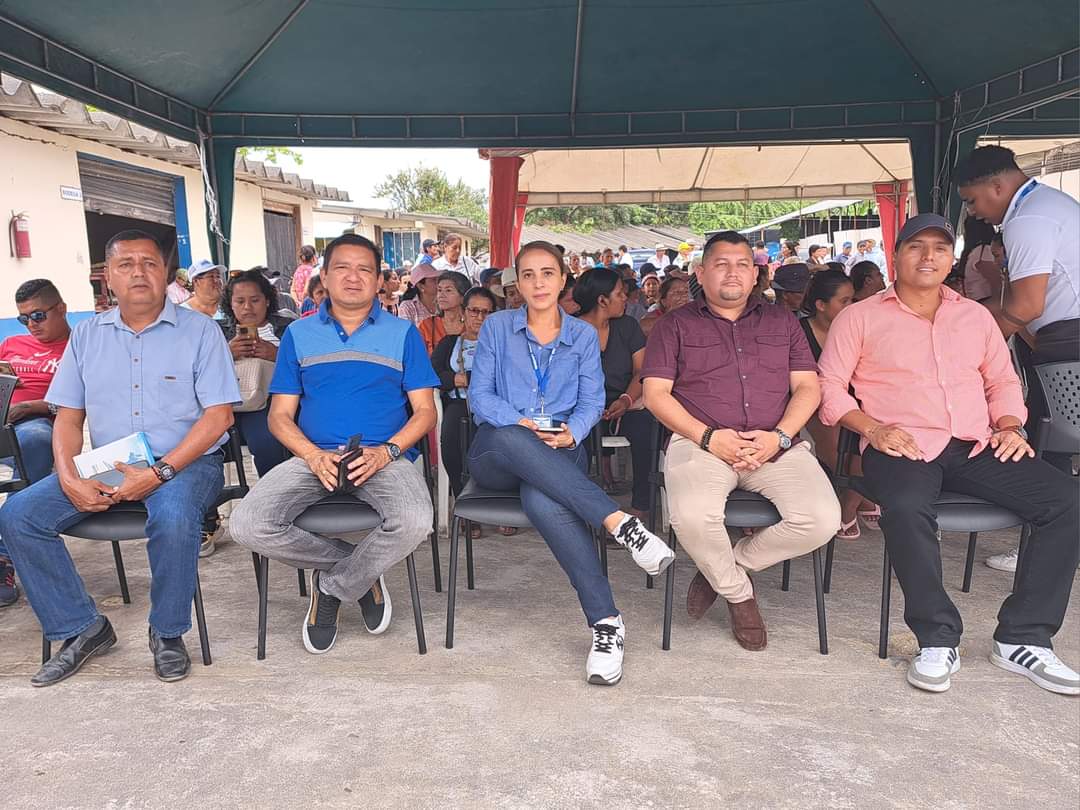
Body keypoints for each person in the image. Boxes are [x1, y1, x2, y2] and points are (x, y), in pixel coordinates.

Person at [819, 213, 1078, 695]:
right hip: (901, 445)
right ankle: (937, 637)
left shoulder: (974, 317)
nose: (928, 257)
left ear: (950, 258)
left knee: (1067, 500)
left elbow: (1002, 381)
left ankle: (1023, 638)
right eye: (916, 247)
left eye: (939, 248)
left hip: (976, 443)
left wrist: (1009, 425)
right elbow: (830, 387)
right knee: (905, 507)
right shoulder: (860, 317)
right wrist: (873, 429)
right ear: (895, 255)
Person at [0, 230, 240, 686]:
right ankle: (81, 627)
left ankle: (167, 633)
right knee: (18, 515)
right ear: (107, 277)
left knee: (173, 517)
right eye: (126, 264)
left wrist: (159, 472)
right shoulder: (87, 336)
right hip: (111, 463)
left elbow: (219, 418)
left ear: (166, 274)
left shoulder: (201, 331)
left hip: (186, 463)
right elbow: (68, 417)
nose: (138, 272)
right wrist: (68, 476)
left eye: (149, 263)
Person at [467, 240, 674, 685]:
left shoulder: (580, 334)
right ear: (517, 283)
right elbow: (480, 396)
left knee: (544, 500)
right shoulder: (498, 327)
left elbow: (592, 400)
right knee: (513, 437)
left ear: (563, 279)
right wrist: (520, 423)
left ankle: (606, 623)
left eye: (547, 273)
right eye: (528, 274)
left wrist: (572, 433)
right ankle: (619, 522)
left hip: (561, 446)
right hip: (498, 447)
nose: (538, 283)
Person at [229, 234, 438, 655]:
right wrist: (311, 454)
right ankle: (362, 574)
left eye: (365, 269)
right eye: (342, 267)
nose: (353, 277)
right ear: (324, 276)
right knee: (247, 524)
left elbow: (425, 412)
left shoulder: (402, 333)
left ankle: (333, 586)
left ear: (379, 280)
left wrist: (386, 452)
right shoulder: (299, 334)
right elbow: (279, 416)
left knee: (416, 520)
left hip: (384, 456)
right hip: (314, 456)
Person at [642, 231, 838, 651]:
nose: (732, 273)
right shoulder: (674, 325)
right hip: (701, 441)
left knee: (822, 519)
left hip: (774, 443)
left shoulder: (783, 322)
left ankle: (722, 569)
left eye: (742, 265)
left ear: (755, 275)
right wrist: (709, 438)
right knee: (691, 517)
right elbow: (655, 395)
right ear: (700, 273)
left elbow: (808, 387)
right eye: (721, 264)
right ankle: (738, 594)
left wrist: (780, 436)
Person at [0, 279, 72, 607]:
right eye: (24, 318)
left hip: (37, 423)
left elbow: (85, 399)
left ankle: (4, 555)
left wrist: (31, 407)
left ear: (62, 309)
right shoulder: (11, 344)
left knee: (35, 441)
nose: (31, 324)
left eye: (38, 315)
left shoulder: (78, 347)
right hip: (4, 415)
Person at [797, 269, 878, 539]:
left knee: (872, 447)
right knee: (837, 451)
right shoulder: (799, 332)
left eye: (853, 299)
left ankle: (850, 503)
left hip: (856, 401)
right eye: (844, 301)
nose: (852, 305)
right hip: (811, 402)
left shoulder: (857, 328)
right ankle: (857, 500)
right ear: (821, 305)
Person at [431, 288, 514, 539]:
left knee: (504, 445)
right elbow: (432, 375)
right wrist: (456, 379)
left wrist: (470, 378)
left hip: (495, 406)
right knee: (451, 441)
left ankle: (502, 506)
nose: (479, 317)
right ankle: (466, 508)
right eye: (474, 311)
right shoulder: (449, 344)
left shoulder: (505, 345)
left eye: (486, 312)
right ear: (464, 312)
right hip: (460, 405)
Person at [574, 268, 657, 520]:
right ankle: (582, 506)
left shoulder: (627, 326)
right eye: (620, 294)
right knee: (574, 436)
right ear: (602, 300)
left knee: (646, 426)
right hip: (580, 405)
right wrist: (590, 407)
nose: (625, 299)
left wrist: (625, 400)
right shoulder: (569, 329)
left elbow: (641, 371)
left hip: (625, 402)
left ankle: (641, 506)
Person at [219, 269, 291, 477]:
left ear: (267, 301)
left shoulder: (287, 329)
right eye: (240, 301)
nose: (247, 307)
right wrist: (226, 354)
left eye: (255, 300)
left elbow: (306, 367)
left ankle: (272, 488)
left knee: (266, 440)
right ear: (230, 303)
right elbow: (196, 371)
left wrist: (277, 355)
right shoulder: (217, 332)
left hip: (271, 403)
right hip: (228, 404)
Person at [418, 271, 470, 355]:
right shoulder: (427, 325)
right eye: (439, 290)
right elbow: (418, 357)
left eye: (448, 290)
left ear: (463, 297)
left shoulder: (472, 325)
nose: (441, 295)